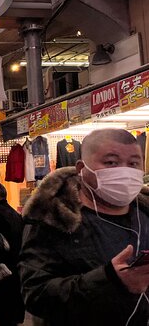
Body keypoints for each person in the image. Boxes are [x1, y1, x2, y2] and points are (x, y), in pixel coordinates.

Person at [20, 128, 149, 325]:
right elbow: (36, 295)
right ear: (82, 168)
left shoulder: (145, 213)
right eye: (111, 162)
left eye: (133, 163)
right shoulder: (54, 218)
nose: (125, 171)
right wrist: (109, 281)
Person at [0, 182, 25, 326]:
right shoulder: (14, 213)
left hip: (1, 270)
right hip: (16, 268)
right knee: (12, 313)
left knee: (3, 312)